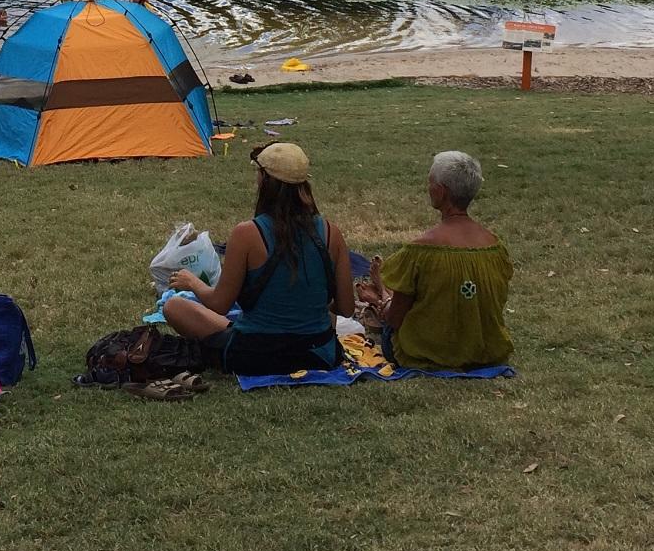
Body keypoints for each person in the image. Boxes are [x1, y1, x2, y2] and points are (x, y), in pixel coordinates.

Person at [162, 142, 353, 376]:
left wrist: (192, 283)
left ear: (263, 179)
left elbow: (220, 304)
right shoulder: (331, 233)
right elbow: (346, 308)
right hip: (318, 354)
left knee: (174, 306)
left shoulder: (247, 234)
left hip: (255, 354)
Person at [360, 151, 513, 371]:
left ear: (440, 192)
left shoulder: (421, 250)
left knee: (388, 320)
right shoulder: (495, 247)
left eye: (430, 182)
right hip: (486, 354)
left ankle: (381, 296)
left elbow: (395, 320)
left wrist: (384, 305)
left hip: (429, 356)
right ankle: (383, 294)